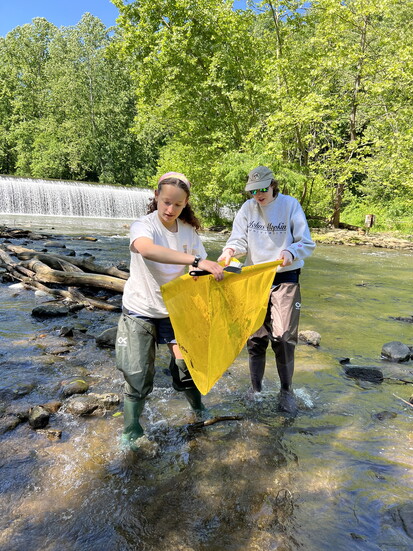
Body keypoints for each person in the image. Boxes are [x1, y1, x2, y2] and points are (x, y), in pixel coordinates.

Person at [115, 171, 224, 450]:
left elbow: (194, 267)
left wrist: (204, 268)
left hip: (176, 312)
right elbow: (147, 250)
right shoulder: (144, 226)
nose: (169, 209)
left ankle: (199, 410)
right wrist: (196, 259)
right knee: (137, 374)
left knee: (185, 368)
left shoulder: (189, 233)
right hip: (140, 310)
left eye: (177, 205)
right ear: (156, 196)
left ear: (186, 203)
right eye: (165, 202)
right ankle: (131, 430)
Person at [218, 166, 315, 414]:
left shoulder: (290, 205)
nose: (258, 195)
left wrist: (290, 252)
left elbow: (306, 242)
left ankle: (286, 391)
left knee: (283, 338)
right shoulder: (248, 208)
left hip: (285, 277)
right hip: (255, 278)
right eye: (253, 191)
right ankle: (255, 389)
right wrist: (230, 251)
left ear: (273, 184)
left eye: (262, 189)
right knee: (255, 338)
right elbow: (238, 239)